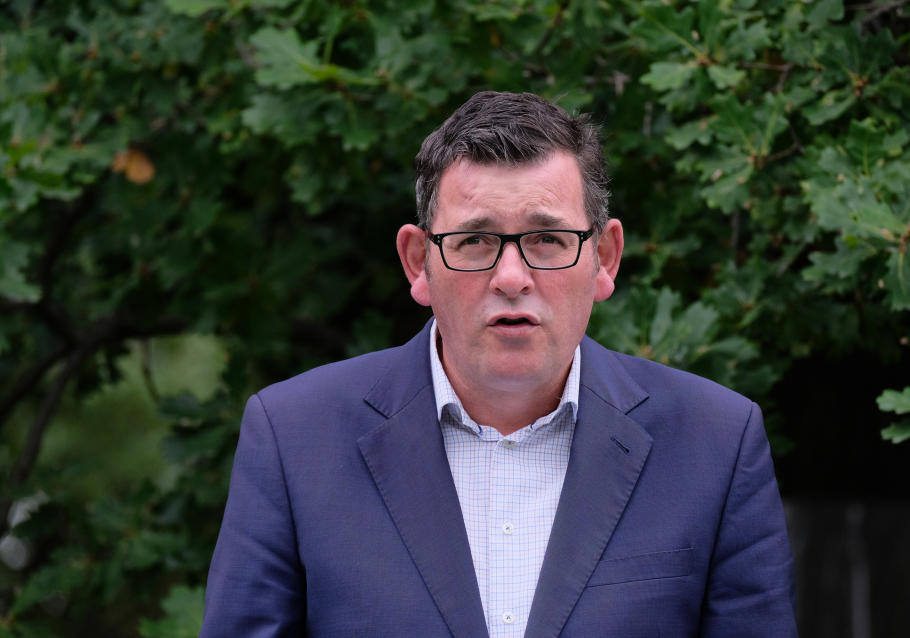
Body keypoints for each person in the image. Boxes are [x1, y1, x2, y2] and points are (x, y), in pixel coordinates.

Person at [200, 91, 797, 637]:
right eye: (476, 242)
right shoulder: (293, 438)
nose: (511, 278)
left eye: (547, 240)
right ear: (417, 263)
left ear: (605, 257)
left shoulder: (716, 444)